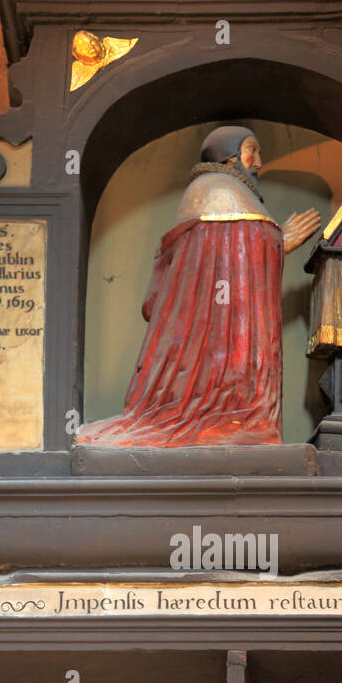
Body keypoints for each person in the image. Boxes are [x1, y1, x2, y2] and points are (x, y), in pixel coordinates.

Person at [75, 125, 321, 447]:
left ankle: (235, 417)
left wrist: (275, 244)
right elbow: (228, 254)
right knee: (215, 392)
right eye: (251, 150)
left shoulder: (225, 190)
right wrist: (279, 242)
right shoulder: (216, 189)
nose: (259, 161)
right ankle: (223, 416)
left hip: (228, 319)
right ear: (229, 154)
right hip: (214, 327)